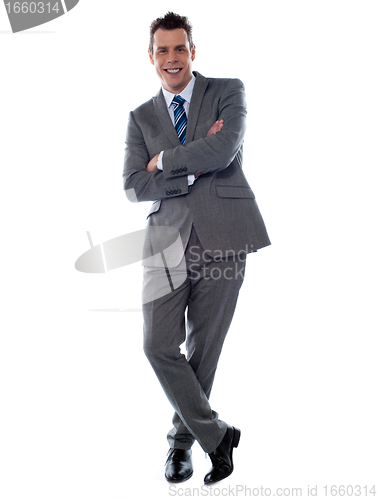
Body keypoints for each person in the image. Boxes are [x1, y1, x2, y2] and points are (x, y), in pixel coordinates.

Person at [123, 12, 271, 485]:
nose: (172, 58)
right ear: (151, 57)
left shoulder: (228, 90)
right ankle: (217, 435)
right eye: (162, 50)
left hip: (225, 234)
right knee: (157, 345)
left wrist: (165, 160)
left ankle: (180, 446)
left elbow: (224, 149)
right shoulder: (139, 117)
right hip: (165, 241)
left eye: (179, 48)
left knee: (204, 350)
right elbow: (131, 185)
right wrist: (192, 166)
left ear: (193, 51)